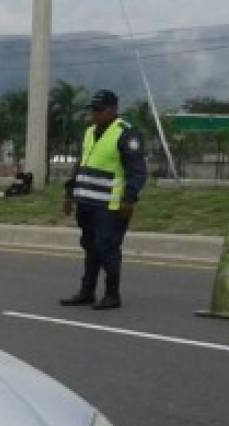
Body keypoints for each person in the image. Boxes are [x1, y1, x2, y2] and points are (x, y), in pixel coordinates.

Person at [60, 90, 148, 310]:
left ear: (113, 110)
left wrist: (129, 200)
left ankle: (112, 294)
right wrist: (69, 194)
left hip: (111, 205)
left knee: (107, 248)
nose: (95, 114)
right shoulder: (90, 132)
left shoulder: (126, 134)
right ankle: (86, 292)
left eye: (99, 110)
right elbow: (81, 165)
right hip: (87, 203)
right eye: (93, 110)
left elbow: (138, 172)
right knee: (90, 247)